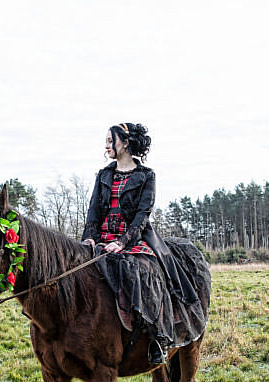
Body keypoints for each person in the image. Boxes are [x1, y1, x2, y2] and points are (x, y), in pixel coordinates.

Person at [81, 122, 205, 365]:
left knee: (144, 271)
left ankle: (156, 335)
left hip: (134, 237)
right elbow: (93, 211)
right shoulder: (104, 174)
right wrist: (89, 237)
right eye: (106, 140)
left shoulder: (146, 176)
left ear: (125, 143)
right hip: (102, 237)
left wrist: (122, 242)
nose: (106, 145)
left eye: (110, 140)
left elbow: (142, 215)